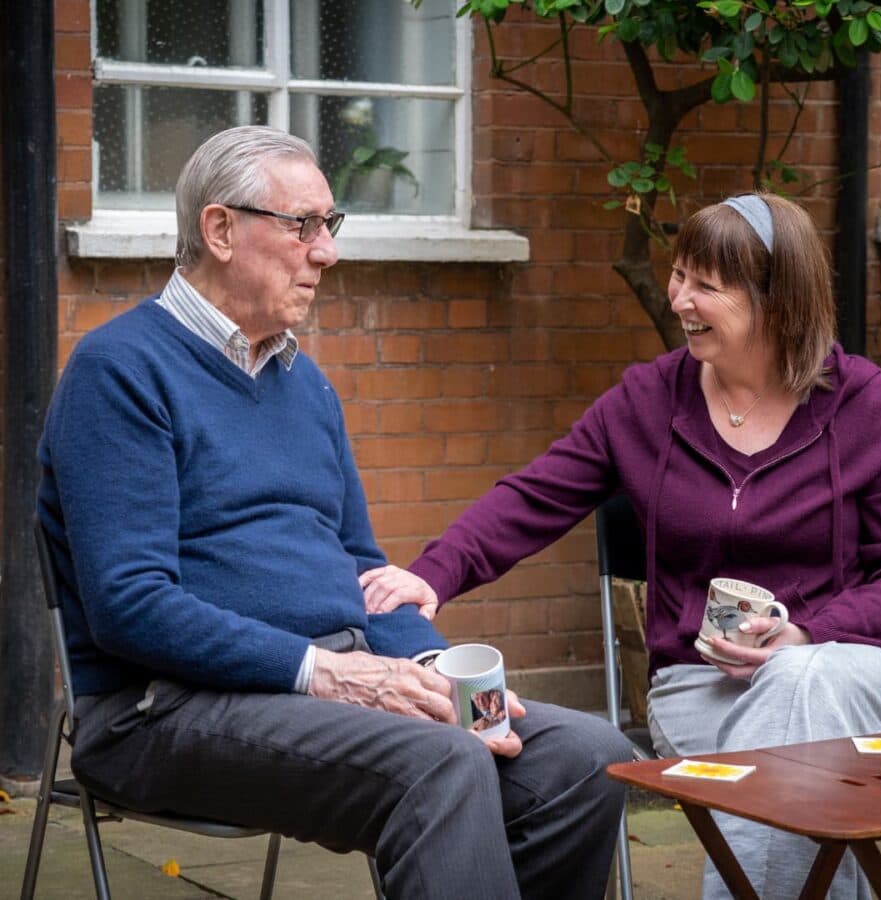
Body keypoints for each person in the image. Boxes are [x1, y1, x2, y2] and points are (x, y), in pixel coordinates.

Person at [36, 125, 633, 900]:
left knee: (581, 754)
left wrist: (433, 672)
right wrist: (329, 675)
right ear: (220, 229)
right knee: (441, 765)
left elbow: (362, 570)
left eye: (330, 225)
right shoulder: (120, 372)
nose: (327, 252)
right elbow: (130, 607)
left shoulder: (305, 383)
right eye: (303, 226)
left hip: (324, 684)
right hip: (161, 709)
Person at [362, 192, 881, 900]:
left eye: (706, 285)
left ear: (777, 299)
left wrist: (806, 635)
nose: (679, 300)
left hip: (862, 672)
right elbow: (536, 495)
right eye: (678, 275)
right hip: (702, 687)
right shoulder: (647, 403)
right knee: (810, 774)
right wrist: (435, 573)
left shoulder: (863, 405)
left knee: (797, 689)